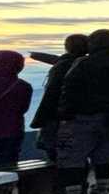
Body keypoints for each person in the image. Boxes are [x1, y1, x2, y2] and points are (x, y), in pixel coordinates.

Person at [57, 29, 109, 194]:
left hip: (82, 118)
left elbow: (69, 89)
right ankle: (101, 193)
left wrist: (66, 114)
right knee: (103, 158)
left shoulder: (83, 64)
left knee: (73, 157)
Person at [29, 33, 88, 162]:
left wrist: (40, 119)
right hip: (84, 117)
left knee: (56, 153)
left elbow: (52, 94)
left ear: (67, 47)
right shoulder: (88, 65)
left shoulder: (63, 66)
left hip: (59, 116)